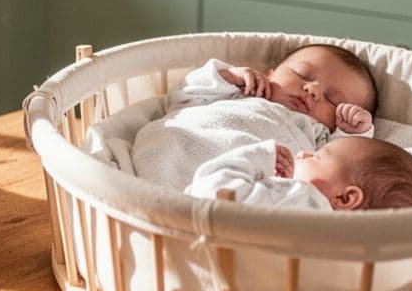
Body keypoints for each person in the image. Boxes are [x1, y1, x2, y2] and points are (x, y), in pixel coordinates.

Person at [131, 44, 378, 191]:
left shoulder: (319, 138)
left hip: (244, 184)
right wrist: (228, 77)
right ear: (270, 73)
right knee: (167, 140)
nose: (313, 90)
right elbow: (181, 100)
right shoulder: (242, 93)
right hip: (186, 143)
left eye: (333, 100)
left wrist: (354, 132)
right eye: (302, 74)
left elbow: (342, 164)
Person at [185, 135, 412, 210]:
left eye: (317, 155)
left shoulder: (302, 197)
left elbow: (214, 194)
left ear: (345, 198)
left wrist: (258, 157)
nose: (303, 154)